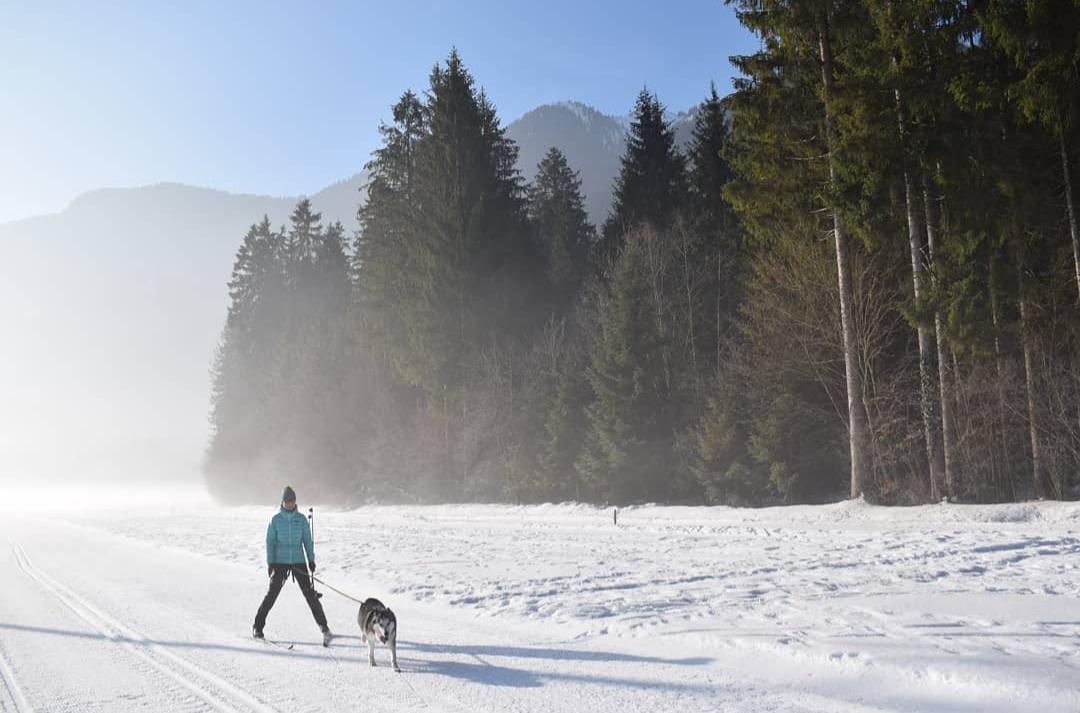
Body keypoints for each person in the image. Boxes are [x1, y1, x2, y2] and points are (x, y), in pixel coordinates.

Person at [252, 486, 331, 645]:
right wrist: (271, 562)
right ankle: (258, 626)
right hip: (280, 562)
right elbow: (270, 543)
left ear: (295, 502)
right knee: (271, 595)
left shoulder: (301, 519)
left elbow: (307, 542)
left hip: (298, 560)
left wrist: (311, 559)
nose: (289, 503)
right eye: (287, 501)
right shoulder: (275, 520)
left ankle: (324, 626)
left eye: (292, 501)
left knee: (310, 595)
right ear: (282, 502)